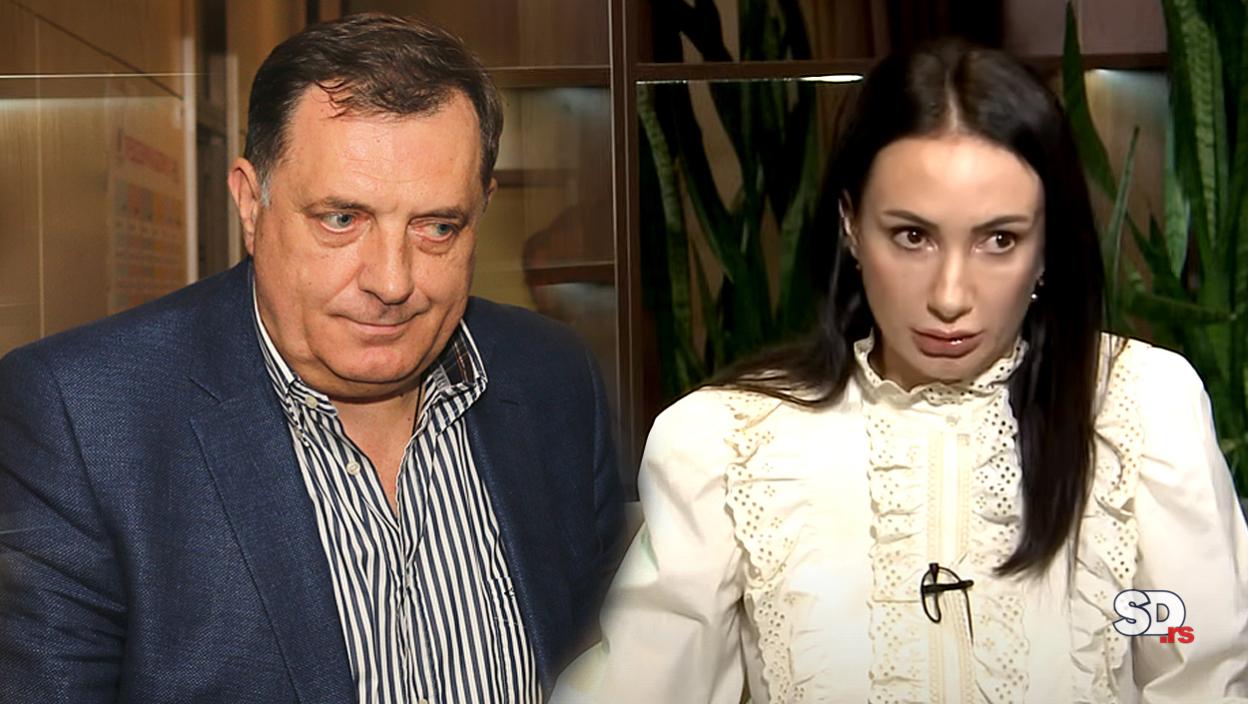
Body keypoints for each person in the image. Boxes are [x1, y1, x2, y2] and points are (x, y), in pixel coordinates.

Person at [554, 39, 1248, 703]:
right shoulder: (728, 442)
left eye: (999, 239)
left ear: (1047, 246)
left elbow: (1199, 666)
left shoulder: (1144, 409)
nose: (950, 295)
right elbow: (643, 685)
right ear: (851, 225)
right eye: (912, 236)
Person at [0, 13, 622, 704]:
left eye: (438, 226)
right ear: (250, 204)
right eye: (342, 219)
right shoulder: (80, 421)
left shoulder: (555, 379)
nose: (392, 281)